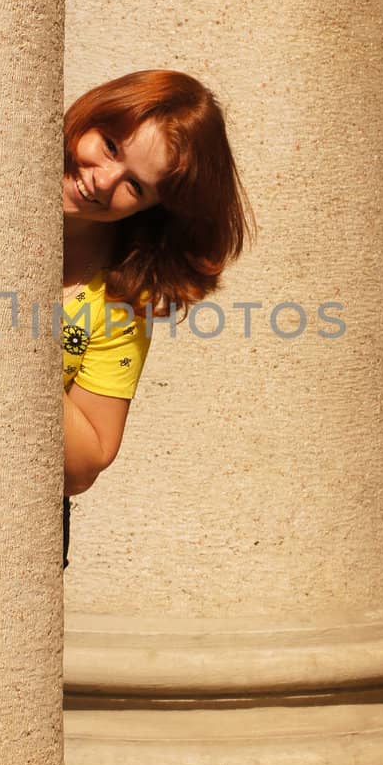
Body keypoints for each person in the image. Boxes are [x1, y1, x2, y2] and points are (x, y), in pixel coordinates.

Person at [61, 69, 255, 566]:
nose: (102, 181)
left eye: (136, 186)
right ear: (93, 112)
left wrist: (21, 348)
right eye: (108, 145)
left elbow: (89, 459)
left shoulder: (120, 297)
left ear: (154, 209)